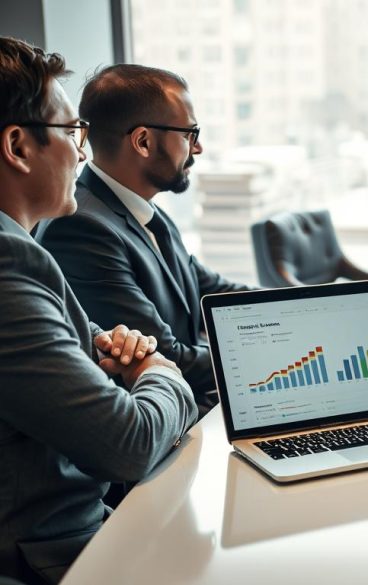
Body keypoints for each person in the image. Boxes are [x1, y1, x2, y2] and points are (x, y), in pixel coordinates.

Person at [0, 37, 197, 584]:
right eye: (71, 133)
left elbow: (98, 340)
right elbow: (127, 444)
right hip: (54, 557)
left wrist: (128, 358)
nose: (82, 153)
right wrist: (161, 373)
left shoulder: (23, 246)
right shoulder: (8, 261)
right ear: (18, 145)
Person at [39, 64, 250, 413]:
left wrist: (304, 309)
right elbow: (164, 355)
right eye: (189, 134)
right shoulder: (82, 230)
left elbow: (209, 287)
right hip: (167, 426)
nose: (197, 149)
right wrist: (269, 355)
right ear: (143, 141)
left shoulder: (147, 210)